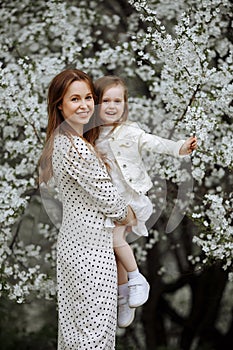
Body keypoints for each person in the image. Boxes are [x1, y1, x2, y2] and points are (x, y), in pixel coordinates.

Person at [87, 75, 197, 328]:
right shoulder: (91, 136)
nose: (112, 106)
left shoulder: (130, 131)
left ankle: (137, 279)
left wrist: (180, 147)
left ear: (125, 105)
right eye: (106, 101)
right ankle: (123, 297)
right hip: (106, 203)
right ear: (96, 104)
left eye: (118, 101)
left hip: (130, 200)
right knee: (113, 252)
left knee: (116, 239)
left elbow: (156, 143)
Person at [39, 69, 136, 349]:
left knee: (76, 334)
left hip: (77, 247)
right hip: (90, 255)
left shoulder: (63, 141)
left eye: (89, 98)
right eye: (75, 99)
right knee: (93, 336)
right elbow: (114, 204)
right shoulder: (76, 148)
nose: (84, 105)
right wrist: (129, 214)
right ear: (60, 104)